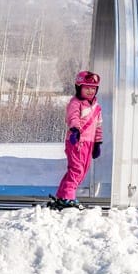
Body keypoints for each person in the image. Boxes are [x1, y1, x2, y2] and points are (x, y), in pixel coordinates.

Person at [48, 71, 103, 210]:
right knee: (76, 170)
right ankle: (68, 198)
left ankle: (62, 195)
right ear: (79, 88)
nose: (91, 91)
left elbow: (98, 126)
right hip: (76, 142)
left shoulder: (96, 107)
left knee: (81, 171)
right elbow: (73, 118)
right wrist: (75, 130)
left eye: (93, 88)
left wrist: (97, 143)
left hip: (89, 144)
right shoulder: (76, 103)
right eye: (87, 88)